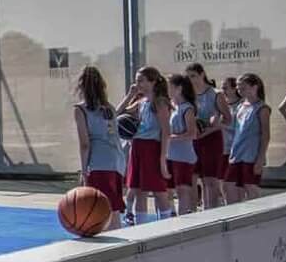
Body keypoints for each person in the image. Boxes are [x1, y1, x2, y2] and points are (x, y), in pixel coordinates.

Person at [72, 66, 125, 232]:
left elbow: (85, 144)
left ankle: (110, 247)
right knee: (114, 206)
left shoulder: (80, 110)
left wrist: (84, 171)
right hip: (117, 160)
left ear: (81, 86)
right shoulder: (109, 108)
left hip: (99, 163)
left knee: (100, 207)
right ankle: (120, 240)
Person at [118, 67, 172, 224]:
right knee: (140, 190)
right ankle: (141, 225)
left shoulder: (160, 102)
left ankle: (166, 224)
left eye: (141, 80)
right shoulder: (141, 102)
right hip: (137, 147)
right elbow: (117, 114)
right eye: (136, 80)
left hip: (152, 148)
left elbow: (166, 132)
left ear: (153, 81)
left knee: (158, 190)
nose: (137, 84)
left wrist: (163, 160)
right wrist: (130, 95)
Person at [185, 64, 228, 211]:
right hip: (193, 140)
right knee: (191, 178)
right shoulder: (188, 96)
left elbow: (228, 119)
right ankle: (192, 212)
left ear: (202, 74)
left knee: (209, 179)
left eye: (194, 76)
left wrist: (210, 128)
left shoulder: (216, 94)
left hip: (211, 139)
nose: (192, 80)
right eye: (189, 77)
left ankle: (211, 211)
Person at [225, 73, 270, 203]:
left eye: (243, 87)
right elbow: (235, 130)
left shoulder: (262, 108)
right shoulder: (240, 106)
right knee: (229, 186)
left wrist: (260, 159)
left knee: (250, 187)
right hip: (236, 154)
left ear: (254, 87)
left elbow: (265, 135)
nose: (239, 90)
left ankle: (255, 217)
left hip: (251, 155)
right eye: (238, 88)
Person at [166, 74, 199, 216]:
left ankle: (184, 218)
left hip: (183, 157)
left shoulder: (187, 108)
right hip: (170, 155)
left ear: (179, 89)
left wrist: (171, 138)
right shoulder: (172, 107)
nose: (167, 89)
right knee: (167, 189)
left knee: (182, 189)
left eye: (169, 86)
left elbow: (192, 133)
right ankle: (171, 215)